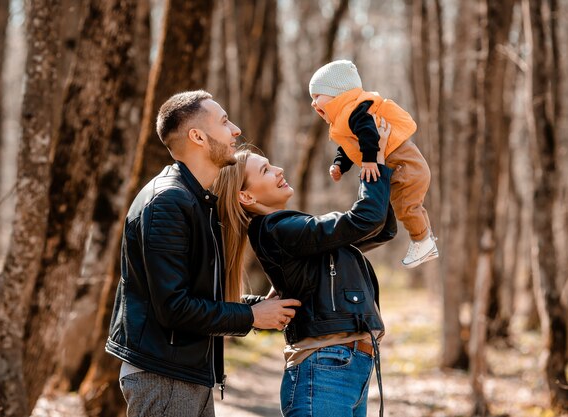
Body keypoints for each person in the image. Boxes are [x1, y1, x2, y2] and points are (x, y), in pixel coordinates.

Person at [106, 90, 301, 417]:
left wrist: (258, 307)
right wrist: (252, 317)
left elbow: (198, 294)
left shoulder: (196, 201)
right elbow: (173, 309)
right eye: (224, 122)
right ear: (197, 136)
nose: (236, 130)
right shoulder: (167, 203)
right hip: (163, 375)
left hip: (182, 371)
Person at [211, 117, 396, 417]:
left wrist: (383, 169)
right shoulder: (276, 228)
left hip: (345, 368)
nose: (278, 170)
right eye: (265, 170)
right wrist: (373, 161)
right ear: (246, 196)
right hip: (324, 370)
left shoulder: (288, 232)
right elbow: (365, 219)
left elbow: (381, 229)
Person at [309, 59, 438, 269]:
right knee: (408, 207)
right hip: (404, 167)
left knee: (407, 207)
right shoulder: (347, 117)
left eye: (317, 96)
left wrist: (370, 161)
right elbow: (351, 146)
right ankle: (424, 239)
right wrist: (340, 164)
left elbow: (369, 134)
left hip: (406, 166)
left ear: (337, 94)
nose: (314, 103)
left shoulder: (356, 111)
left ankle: (423, 242)